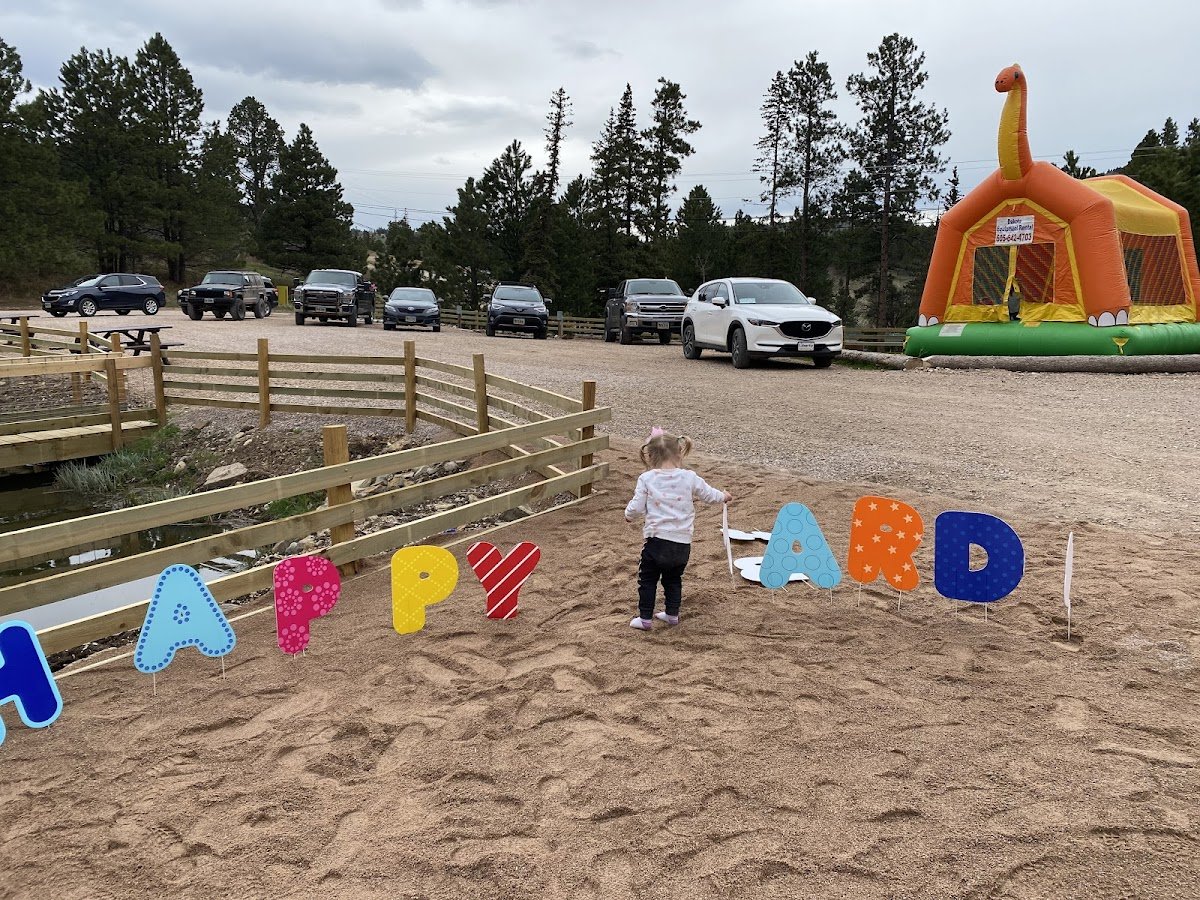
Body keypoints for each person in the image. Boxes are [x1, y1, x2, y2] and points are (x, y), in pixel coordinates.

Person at [624, 428, 732, 631]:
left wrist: (628, 515)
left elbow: (637, 507)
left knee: (647, 580)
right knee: (673, 579)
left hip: (656, 541)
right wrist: (723, 496)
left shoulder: (646, 478)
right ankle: (672, 614)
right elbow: (709, 494)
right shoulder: (689, 477)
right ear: (680, 453)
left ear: (650, 456)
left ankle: (645, 618)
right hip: (682, 543)